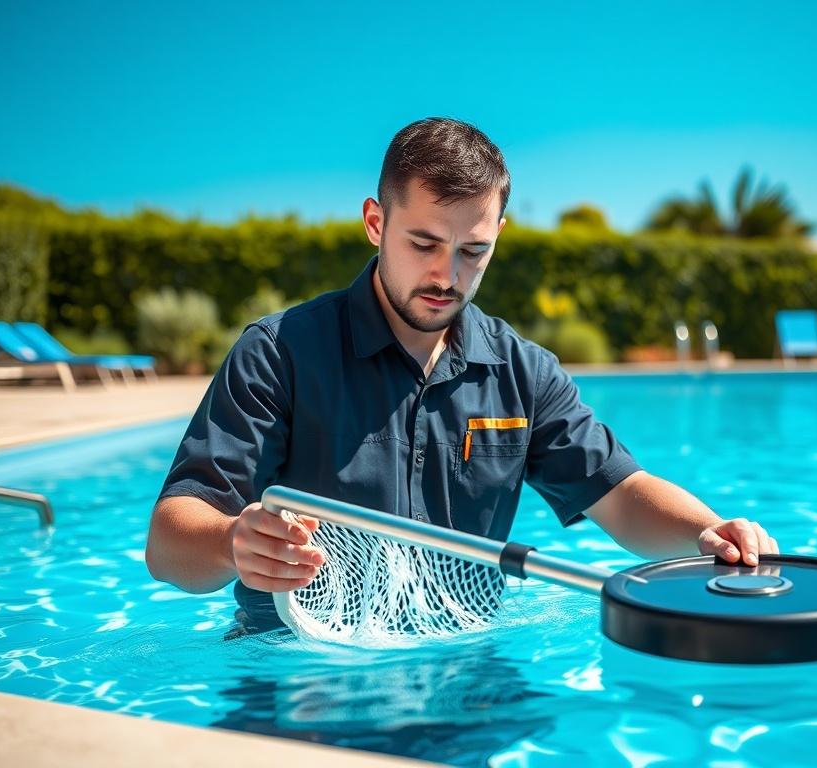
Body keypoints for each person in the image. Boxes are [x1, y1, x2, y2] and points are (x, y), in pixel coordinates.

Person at [146, 118, 778, 625]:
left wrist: (709, 534)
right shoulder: (279, 353)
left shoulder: (523, 372)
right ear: (376, 222)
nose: (447, 276)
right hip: (296, 672)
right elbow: (169, 545)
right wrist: (235, 541)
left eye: (473, 251)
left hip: (466, 675)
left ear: (498, 235)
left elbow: (622, 494)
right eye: (423, 244)